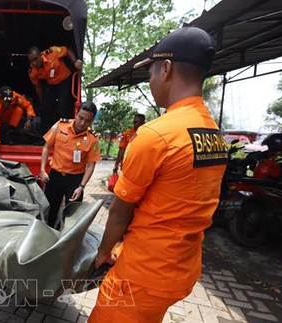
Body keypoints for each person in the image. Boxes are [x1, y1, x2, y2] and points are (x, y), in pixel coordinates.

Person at [89, 27, 227, 323]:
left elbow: (119, 212)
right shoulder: (214, 134)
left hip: (143, 273)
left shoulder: (157, 134)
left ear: (166, 69)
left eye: (150, 72)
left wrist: (103, 253)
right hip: (183, 268)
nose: (150, 81)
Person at [39, 101, 101, 229]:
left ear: (91, 121)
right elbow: (46, 147)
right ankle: (48, 236)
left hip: (75, 181)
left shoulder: (93, 139)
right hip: (54, 177)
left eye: (87, 120)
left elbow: (90, 165)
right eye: (81, 118)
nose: (82, 123)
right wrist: (42, 170)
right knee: (50, 210)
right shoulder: (60, 125)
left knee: (72, 216)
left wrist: (81, 187)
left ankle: (65, 242)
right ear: (76, 113)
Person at [27, 45, 83, 134]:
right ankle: (46, 136)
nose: (34, 63)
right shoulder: (32, 71)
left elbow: (67, 49)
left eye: (36, 59)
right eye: (31, 61)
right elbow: (38, 88)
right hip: (52, 85)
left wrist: (75, 61)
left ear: (41, 55)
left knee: (63, 107)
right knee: (45, 109)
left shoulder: (53, 52)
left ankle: (65, 134)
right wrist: (42, 101)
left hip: (65, 80)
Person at [0, 86, 36, 155]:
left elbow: (28, 105)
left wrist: (29, 119)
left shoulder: (15, 97)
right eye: (5, 101)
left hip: (6, 118)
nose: (7, 104)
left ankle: (10, 133)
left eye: (9, 101)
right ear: (0, 98)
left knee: (18, 110)